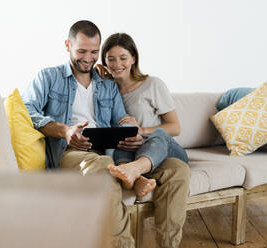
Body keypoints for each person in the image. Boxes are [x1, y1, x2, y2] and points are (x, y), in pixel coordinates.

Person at [23, 21, 189, 248]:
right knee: (104, 169)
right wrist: (65, 131)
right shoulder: (48, 77)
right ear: (67, 45)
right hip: (72, 152)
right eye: (81, 51)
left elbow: (120, 118)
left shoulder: (107, 85)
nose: (88, 58)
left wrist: (129, 129)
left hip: (110, 153)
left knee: (177, 170)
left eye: (94, 52)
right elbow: (27, 111)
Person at [97, 33, 190, 248]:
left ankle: (134, 170)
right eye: (111, 58)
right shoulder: (107, 90)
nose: (117, 63)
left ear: (133, 59)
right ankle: (135, 173)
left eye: (123, 57)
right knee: (178, 172)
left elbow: (175, 127)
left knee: (160, 135)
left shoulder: (152, 84)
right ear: (104, 61)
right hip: (131, 154)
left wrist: (142, 130)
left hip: (163, 150)